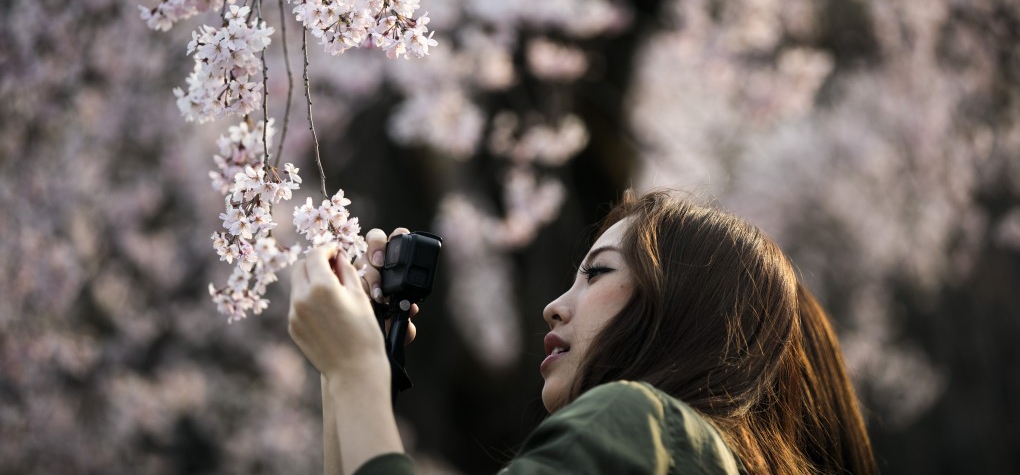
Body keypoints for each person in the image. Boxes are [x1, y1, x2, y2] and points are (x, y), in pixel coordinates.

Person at [288, 189, 877, 474]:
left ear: (680, 305)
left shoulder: (641, 420)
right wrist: (349, 374)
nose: (553, 307)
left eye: (597, 273)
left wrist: (353, 371)